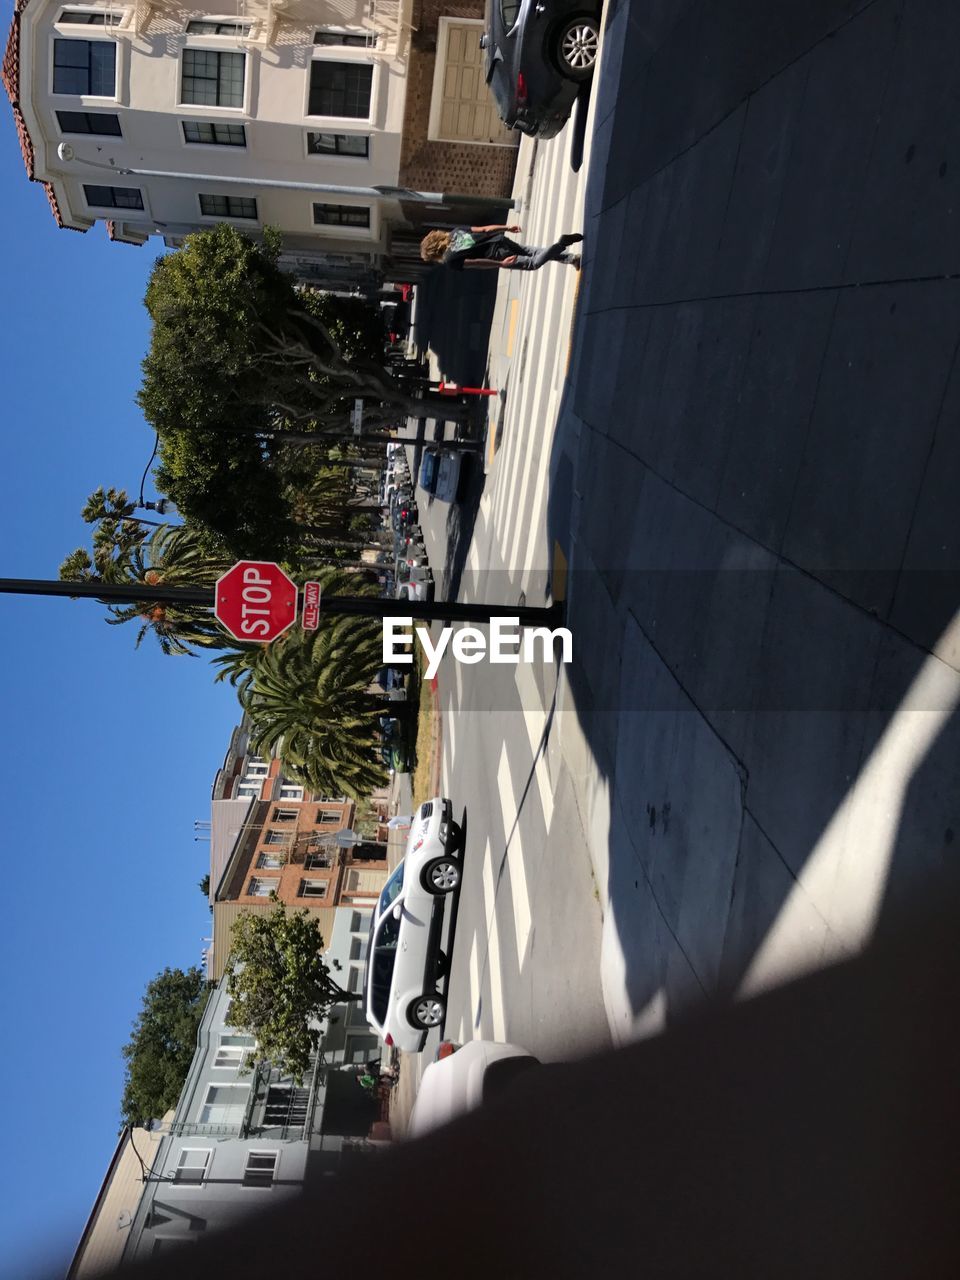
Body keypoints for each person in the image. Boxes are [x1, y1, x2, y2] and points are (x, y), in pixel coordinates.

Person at [420, 224, 582, 272]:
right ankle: (572, 259)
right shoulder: (456, 231)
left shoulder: (450, 260)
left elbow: (476, 262)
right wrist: (506, 227)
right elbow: (484, 229)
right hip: (500, 240)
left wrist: (501, 264)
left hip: (498, 255)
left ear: (434, 255)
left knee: (533, 264)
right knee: (533, 252)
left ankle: (560, 244)